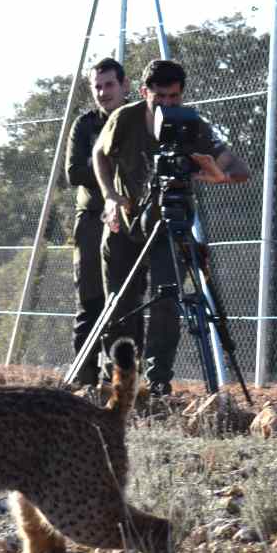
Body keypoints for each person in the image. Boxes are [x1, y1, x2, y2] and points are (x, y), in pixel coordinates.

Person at [92, 59, 250, 396]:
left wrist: (217, 174)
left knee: (167, 300)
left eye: (174, 97)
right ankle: (118, 378)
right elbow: (99, 155)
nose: (167, 104)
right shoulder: (125, 118)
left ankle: (158, 381)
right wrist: (109, 197)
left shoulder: (192, 125)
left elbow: (238, 169)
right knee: (120, 303)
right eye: (159, 96)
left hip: (170, 222)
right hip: (126, 223)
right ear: (144, 91)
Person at [64, 57, 129, 386]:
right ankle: (83, 382)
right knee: (90, 302)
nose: (103, 92)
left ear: (125, 86)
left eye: (109, 85)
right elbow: (74, 172)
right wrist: (113, 169)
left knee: (124, 302)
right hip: (92, 219)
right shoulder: (85, 124)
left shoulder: (138, 120)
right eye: (97, 86)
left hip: (131, 220)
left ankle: (116, 379)